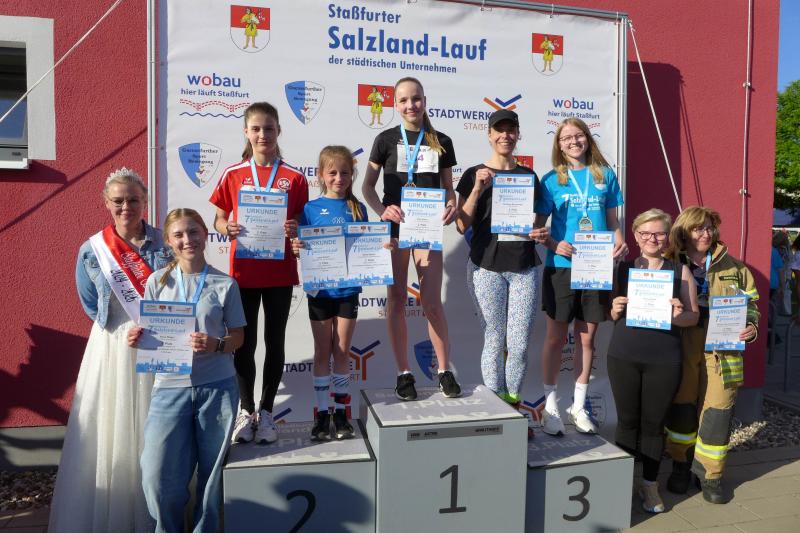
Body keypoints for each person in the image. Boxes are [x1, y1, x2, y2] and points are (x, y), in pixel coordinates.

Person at [50, 168, 172, 533]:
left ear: (145, 201)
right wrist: (120, 328)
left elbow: (179, 291)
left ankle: (156, 513)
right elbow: (90, 302)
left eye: (133, 200)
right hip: (112, 347)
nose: (126, 207)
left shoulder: (165, 243)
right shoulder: (92, 250)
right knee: (110, 426)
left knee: (156, 426)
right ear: (106, 203)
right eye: (118, 201)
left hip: (158, 343)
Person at [129, 208, 245, 532]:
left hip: (217, 388)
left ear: (205, 234)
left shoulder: (225, 284)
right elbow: (150, 331)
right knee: (156, 475)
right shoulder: (156, 282)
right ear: (168, 241)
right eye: (178, 234)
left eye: (193, 232)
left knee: (211, 478)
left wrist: (216, 344)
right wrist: (138, 337)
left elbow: (238, 337)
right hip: (169, 388)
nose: (187, 240)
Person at [210, 101, 309, 444]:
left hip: (280, 272)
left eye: (268, 128)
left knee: (274, 341)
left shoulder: (295, 177)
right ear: (246, 132)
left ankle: (266, 413)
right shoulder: (233, 174)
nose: (262, 134)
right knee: (244, 343)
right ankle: (245, 409)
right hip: (244, 272)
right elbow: (218, 219)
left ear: (278, 130)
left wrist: (295, 228)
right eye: (256, 128)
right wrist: (226, 227)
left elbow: (302, 223)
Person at [362, 76, 461, 400]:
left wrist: (451, 205)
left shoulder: (440, 140)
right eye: (403, 100)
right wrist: (382, 210)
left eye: (416, 98)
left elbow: (449, 188)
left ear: (425, 101)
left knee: (431, 302)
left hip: (426, 228)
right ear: (395, 104)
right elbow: (367, 186)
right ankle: (403, 373)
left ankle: (444, 371)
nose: (410, 105)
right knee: (396, 301)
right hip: (395, 228)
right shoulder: (385, 139)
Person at [533, 117, 627, 436]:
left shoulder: (605, 175)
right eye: (566, 138)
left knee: (587, 339)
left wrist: (619, 242)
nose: (573, 141)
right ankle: (550, 407)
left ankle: (579, 405)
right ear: (559, 145)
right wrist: (552, 242)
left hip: (595, 267)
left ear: (588, 138)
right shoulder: (551, 180)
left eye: (579, 136)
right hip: (560, 266)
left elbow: (613, 222)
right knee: (556, 339)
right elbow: (538, 228)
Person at [455, 110, 549, 423]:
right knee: (494, 339)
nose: (505, 136)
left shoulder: (529, 176)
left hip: (523, 266)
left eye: (511, 130)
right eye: (499, 130)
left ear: (518, 134)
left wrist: (538, 231)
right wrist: (477, 188)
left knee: (519, 345)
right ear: (489, 135)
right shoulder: (474, 174)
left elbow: (537, 219)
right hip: (486, 266)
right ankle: (497, 412)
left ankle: (514, 408)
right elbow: (460, 224)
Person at [664, 206, 759, 504]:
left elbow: (752, 305)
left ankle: (710, 475)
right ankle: (681, 464)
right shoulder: (668, 264)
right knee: (682, 405)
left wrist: (751, 326)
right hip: (682, 343)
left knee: (718, 410)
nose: (706, 234)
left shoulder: (736, 268)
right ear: (684, 232)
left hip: (723, 349)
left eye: (709, 228)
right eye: (698, 228)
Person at [607, 209, 699, 513]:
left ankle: (649, 485)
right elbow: (608, 313)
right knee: (627, 422)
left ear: (668, 236)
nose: (652, 239)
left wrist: (677, 315)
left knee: (653, 425)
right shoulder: (621, 269)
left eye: (659, 233)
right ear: (635, 236)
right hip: (624, 355)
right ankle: (621, 484)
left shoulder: (679, 271)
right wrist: (614, 308)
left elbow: (693, 317)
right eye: (645, 233)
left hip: (664, 360)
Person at [292, 145, 380, 441]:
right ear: (320, 175)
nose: (339, 178)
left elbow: (365, 246)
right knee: (322, 352)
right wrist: (296, 247)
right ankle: (321, 414)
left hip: (347, 291)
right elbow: (300, 247)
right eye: (332, 172)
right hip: (320, 292)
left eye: (345, 173)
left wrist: (381, 248)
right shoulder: (310, 209)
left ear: (352, 175)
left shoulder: (358, 208)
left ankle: (341, 413)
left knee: (342, 351)